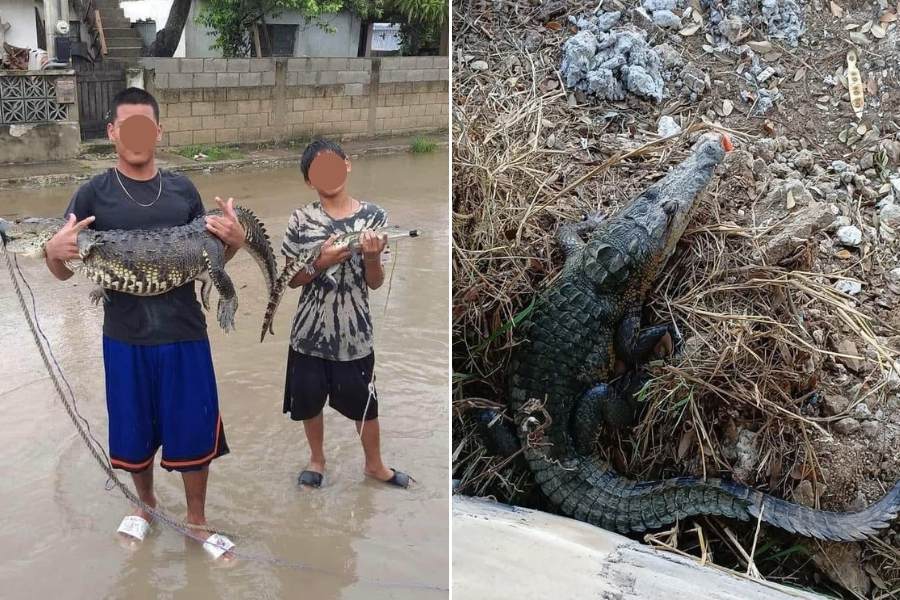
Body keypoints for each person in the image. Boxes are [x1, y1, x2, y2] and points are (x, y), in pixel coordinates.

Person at [43, 87, 243, 558]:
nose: (135, 136)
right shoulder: (92, 194)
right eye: (126, 127)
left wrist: (233, 241)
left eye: (144, 127)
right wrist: (52, 252)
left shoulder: (182, 190)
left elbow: (211, 256)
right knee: (133, 430)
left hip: (185, 332)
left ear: (158, 132)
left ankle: (196, 519)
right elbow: (62, 264)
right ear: (112, 132)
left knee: (194, 428)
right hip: (125, 337)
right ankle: (146, 506)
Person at [280, 139, 410, 489]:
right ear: (309, 180)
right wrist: (321, 262)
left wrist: (369, 257)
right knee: (308, 404)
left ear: (347, 165)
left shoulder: (374, 217)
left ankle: (375, 465)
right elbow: (292, 280)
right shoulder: (300, 220)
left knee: (366, 404)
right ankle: (317, 460)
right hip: (308, 332)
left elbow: (375, 282)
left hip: (355, 334)